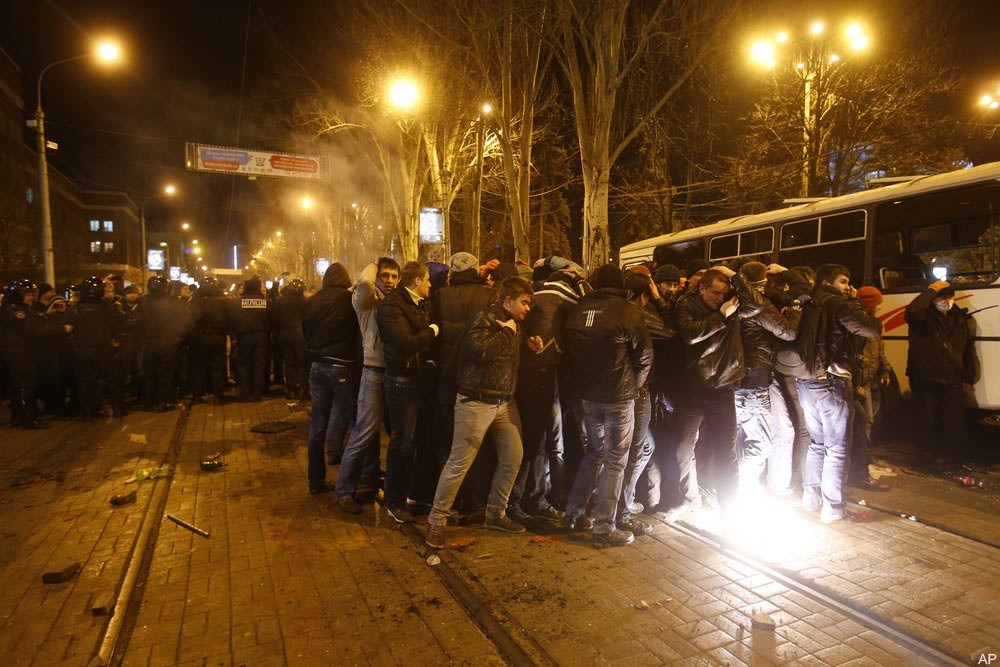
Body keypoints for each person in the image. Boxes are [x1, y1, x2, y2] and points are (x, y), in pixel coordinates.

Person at [425, 277, 540, 549]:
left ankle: (496, 513)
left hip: (503, 402)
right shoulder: (486, 319)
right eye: (524, 303)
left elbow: (504, 358)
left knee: (513, 456)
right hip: (475, 402)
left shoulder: (514, 325)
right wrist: (507, 333)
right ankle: (436, 521)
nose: (528, 309)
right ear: (508, 301)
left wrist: (528, 346)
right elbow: (477, 351)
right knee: (459, 463)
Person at [562, 265, 652, 548]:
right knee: (615, 460)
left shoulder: (578, 310)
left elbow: (571, 352)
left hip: (589, 395)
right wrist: (634, 385)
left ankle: (574, 515)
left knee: (594, 454)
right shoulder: (627, 311)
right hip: (618, 397)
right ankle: (604, 528)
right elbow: (644, 356)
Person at [670, 266, 759, 531]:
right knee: (682, 448)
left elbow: (755, 306)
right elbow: (690, 335)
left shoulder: (732, 305)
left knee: (726, 452)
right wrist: (721, 316)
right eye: (715, 293)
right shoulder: (686, 305)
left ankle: (729, 511)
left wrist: (735, 276)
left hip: (723, 386)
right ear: (702, 289)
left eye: (724, 293)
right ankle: (688, 499)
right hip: (693, 388)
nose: (720, 298)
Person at [797, 264, 881, 523]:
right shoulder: (838, 303)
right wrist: (853, 301)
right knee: (837, 448)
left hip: (806, 380)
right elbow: (872, 328)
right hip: (833, 380)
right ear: (828, 282)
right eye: (843, 281)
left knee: (817, 443)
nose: (847, 286)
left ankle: (811, 499)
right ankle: (833, 508)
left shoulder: (807, 302)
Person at [508, 269, 584, 522]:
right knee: (534, 445)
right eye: (525, 303)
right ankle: (520, 501)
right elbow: (590, 300)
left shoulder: (536, 300)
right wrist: (579, 280)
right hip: (538, 379)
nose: (530, 308)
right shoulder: (558, 293)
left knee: (538, 444)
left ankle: (531, 498)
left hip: (537, 378)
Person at [429, 252, 496, 517]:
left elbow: (434, 335)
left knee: (450, 442)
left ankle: (449, 500)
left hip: (448, 376)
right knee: (476, 441)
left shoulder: (440, 296)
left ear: (451, 273)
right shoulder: (487, 296)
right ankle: (474, 501)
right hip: (478, 376)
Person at [377, 262, 440, 523]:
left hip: (417, 380)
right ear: (416, 281)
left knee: (417, 440)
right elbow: (405, 343)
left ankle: (412, 494)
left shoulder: (418, 303)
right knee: (401, 443)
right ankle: (394, 501)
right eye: (427, 280)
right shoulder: (392, 306)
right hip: (401, 383)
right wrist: (433, 331)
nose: (430, 285)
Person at [335, 258, 399, 510]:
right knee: (362, 434)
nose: (391, 281)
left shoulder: (395, 302)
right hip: (373, 373)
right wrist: (374, 262)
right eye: (385, 275)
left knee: (398, 437)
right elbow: (363, 281)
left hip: (394, 374)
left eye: (395, 276)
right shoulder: (365, 301)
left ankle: (387, 489)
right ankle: (344, 492)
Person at [734, 261, 799, 497]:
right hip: (756, 378)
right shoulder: (758, 305)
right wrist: (795, 311)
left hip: (740, 378)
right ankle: (754, 491)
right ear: (760, 285)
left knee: (744, 437)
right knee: (767, 438)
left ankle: (743, 489)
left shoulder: (732, 303)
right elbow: (788, 332)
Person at [904, 280, 978, 465]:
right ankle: (924, 457)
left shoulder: (960, 319)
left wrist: (967, 376)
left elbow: (967, 349)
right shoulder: (922, 318)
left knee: (953, 420)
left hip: (951, 377)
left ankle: (955, 456)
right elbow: (912, 311)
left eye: (949, 297)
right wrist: (930, 290)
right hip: (924, 376)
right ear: (933, 299)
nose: (946, 301)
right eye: (941, 297)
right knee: (925, 419)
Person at [302, 263, 359, 495]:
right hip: (341, 366)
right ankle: (353, 481)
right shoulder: (348, 300)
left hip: (316, 366)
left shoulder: (311, 301)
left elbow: (305, 331)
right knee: (357, 424)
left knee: (317, 426)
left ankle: (316, 481)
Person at [850, 286, 892, 490]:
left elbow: (879, 348)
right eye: (876, 305)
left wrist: (884, 370)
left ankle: (865, 460)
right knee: (862, 423)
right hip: (859, 381)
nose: (879, 308)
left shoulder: (874, 325)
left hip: (869, 379)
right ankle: (861, 466)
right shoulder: (859, 324)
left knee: (867, 421)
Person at [66, 276, 127, 419]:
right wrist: (117, 341)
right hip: (104, 350)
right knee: (113, 380)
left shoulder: (75, 310)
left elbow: (67, 329)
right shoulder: (110, 308)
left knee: (86, 382)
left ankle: (88, 411)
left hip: (83, 350)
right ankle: (118, 408)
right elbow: (121, 327)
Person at [135, 276, 190, 412]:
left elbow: (136, 323)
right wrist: (179, 338)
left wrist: (141, 340)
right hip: (168, 342)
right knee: (165, 374)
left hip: (149, 343)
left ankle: (148, 403)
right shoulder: (174, 302)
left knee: (149, 374)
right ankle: (161, 403)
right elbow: (185, 322)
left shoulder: (143, 302)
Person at [1, 280, 50, 429]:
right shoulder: (16, 312)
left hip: (17, 352)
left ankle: (18, 417)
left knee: (18, 386)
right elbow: (33, 328)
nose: (30, 298)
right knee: (25, 385)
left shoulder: (10, 310)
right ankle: (27, 418)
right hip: (20, 353)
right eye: (27, 295)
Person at [189, 277, 230, 404]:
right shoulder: (223, 301)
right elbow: (229, 319)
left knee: (199, 367)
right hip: (218, 336)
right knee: (217, 367)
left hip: (201, 337)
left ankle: (197, 395)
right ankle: (218, 396)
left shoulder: (195, 301)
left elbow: (192, 320)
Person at [231, 276, 272, 402]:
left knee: (243, 365)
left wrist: (234, 336)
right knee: (259, 366)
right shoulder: (267, 302)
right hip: (262, 337)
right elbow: (272, 320)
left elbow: (233, 320)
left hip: (244, 337)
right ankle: (257, 394)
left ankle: (244, 394)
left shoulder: (238, 302)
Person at [274, 279, 309, 400]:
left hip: (284, 336)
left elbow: (276, 319)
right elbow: (308, 319)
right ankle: (303, 391)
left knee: (289, 364)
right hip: (300, 337)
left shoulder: (280, 301)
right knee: (302, 364)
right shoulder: (304, 301)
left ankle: (290, 390)